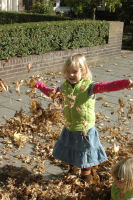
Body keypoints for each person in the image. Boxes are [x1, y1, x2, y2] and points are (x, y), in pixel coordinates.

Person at [35, 54, 133, 182]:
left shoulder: (90, 87)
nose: (70, 75)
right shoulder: (64, 87)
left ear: (83, 71)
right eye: (68, 72)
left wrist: (126, 83)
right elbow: (52, 94)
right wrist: (38, 85)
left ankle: (86, 176)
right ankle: (73, 168)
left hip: (84, 129)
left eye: (74, 72)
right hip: (70, 126)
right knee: (71, 149)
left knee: (85, 153)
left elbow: (108, 86)